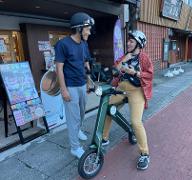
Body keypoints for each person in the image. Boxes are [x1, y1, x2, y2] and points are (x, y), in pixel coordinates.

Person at [102, 30, 153, 170]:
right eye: (128, 41)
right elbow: (115, 71)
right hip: (121, 88)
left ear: (139, 43)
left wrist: (134, 72)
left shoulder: (144, 58)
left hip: (136, 90)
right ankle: (104, 138)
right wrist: (124, 60)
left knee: (136, 122)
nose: (128, 43)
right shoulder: (125, 56)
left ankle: (144, 154)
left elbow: (149, 75)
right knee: (107, 109)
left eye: (131, 41)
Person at [55, 12, 94, 158]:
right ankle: (75, 147)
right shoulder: (63, 44)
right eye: (87, 28)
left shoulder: (84, 44)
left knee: (82, 112)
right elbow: (59, 68)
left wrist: (90, 81)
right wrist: (63, 90)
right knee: (73, 118)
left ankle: (78, 130)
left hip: (82, 84)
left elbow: (85, 62)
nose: (89, 32)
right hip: (70, 86)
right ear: (79, 28)